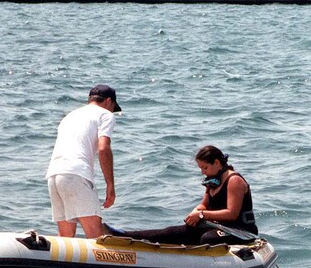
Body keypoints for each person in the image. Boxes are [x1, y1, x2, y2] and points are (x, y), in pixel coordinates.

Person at [107, 145, 257, 245]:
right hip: (215, 225)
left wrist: (202, 215)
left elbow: (232, 214)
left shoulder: (234, 180)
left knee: (208, 238)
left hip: (240, 232)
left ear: (217, 163)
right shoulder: (213, 181)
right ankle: (125, 235)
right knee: (173, 232)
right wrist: (195, 212)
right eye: (200, 168)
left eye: (205, 167)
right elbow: (204, 204)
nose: (202, 172)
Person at [45, 84, 121, 239]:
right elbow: (103, 148)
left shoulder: (70, 116)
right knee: (96, 239)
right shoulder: (105, 115)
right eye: (113, 107)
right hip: (77, 174)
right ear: (108, 102)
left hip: (54, 174)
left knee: (65, 240)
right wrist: (110, 185)